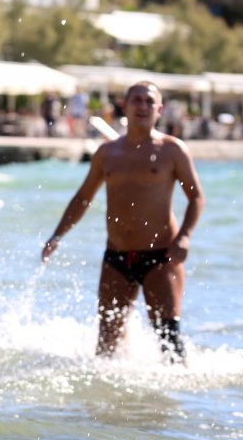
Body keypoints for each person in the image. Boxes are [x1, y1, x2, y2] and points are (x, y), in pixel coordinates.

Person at [41, 81, 204, 364]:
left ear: (159, 109)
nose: (142, 106)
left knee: (170, 342)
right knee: (105, 349)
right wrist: (57, 236)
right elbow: (82, 199)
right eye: (137, 101)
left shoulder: (172, 150)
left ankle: (175, 406)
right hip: (116, 257)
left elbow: (196, 197)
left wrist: (184, 237)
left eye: (149, 102)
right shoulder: (107, 153)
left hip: (162, 257)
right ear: (125, 106)